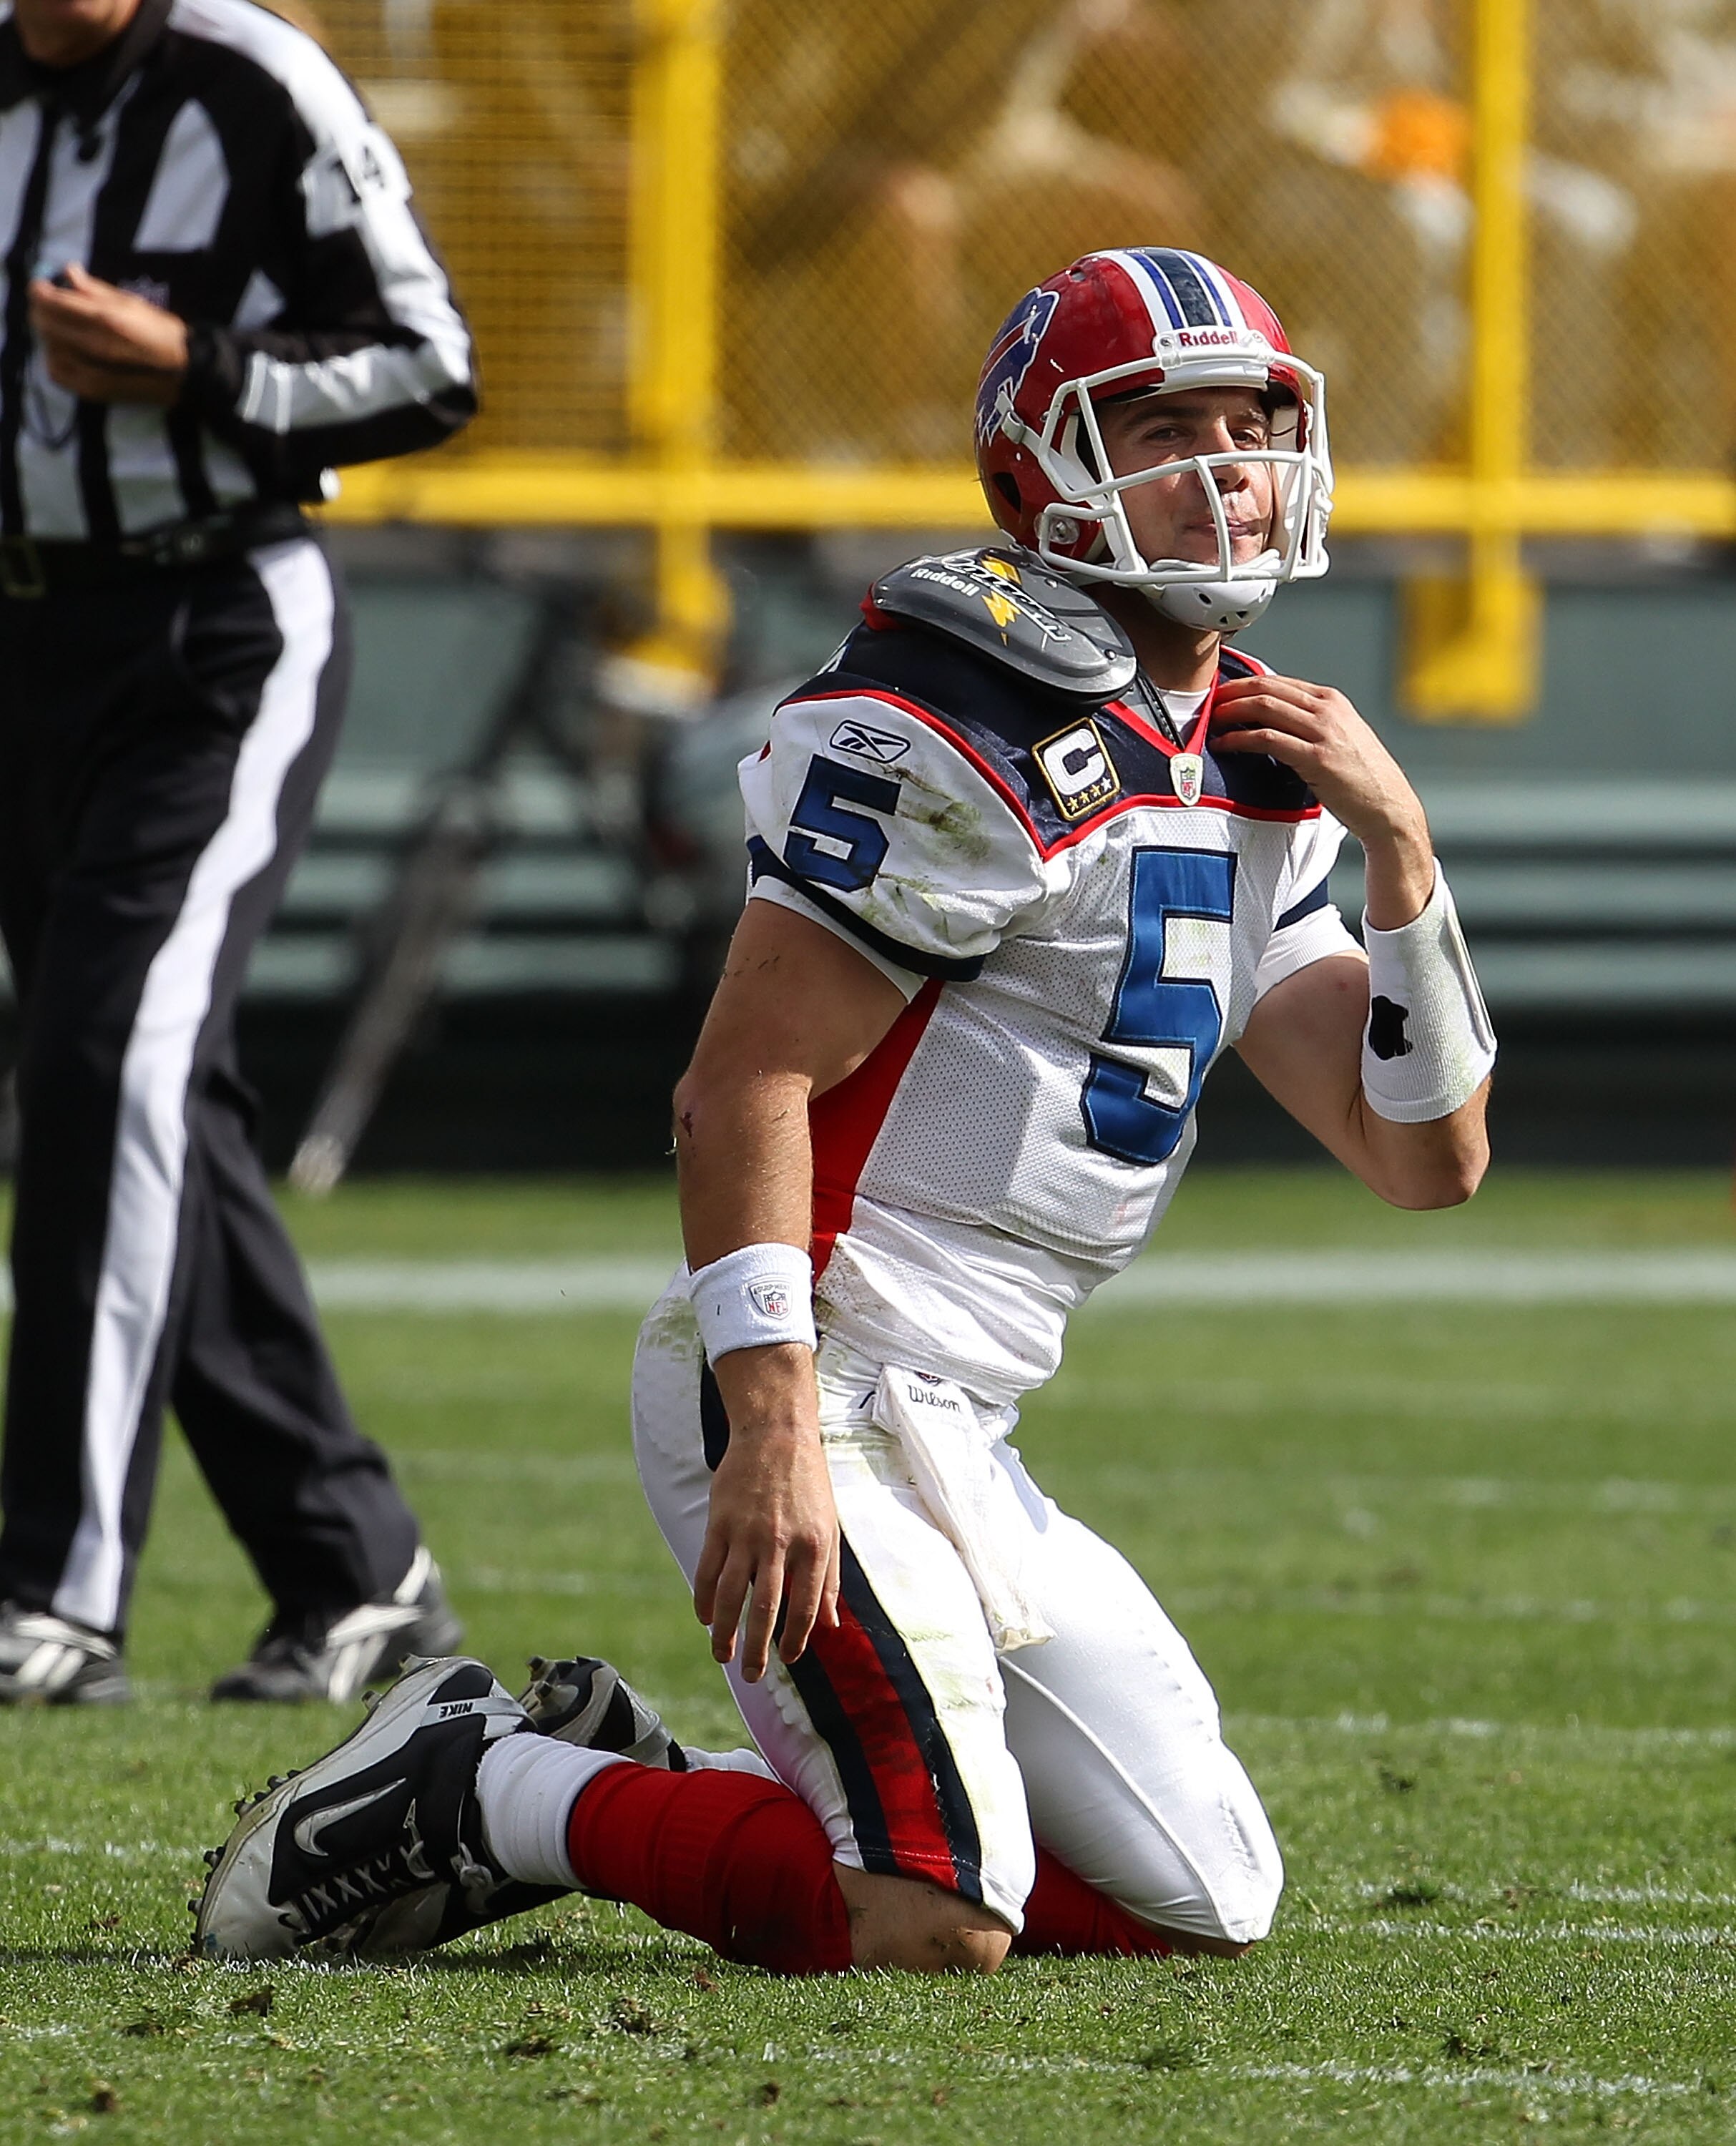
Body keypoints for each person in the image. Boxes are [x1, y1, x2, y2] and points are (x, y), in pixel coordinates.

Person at [194, 248, 1495, 1969]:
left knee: (1204, 1901)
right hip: (825, 1367)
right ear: (1045, 470)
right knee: (931, 1919)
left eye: (1248, 423)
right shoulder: (967, 715)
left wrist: (1402, 860)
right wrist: (776, 1415)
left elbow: (1424, 1157)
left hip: (967, 1422)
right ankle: (479, 1796)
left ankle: (640, 1776)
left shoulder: (1263, 761)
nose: (1224, 469)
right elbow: (745, 1081)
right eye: (1160, 428)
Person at [0, 0, 476, 1704]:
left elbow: (433, 364)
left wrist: (194, 365)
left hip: (214, 627)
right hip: (26, 645)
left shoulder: (250, 77)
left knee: (104, 1069)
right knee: (140, 1099)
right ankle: (354, 1574)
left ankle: (51, 1599)